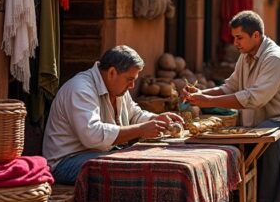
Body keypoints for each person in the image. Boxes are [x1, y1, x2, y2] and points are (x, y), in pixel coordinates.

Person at [182, 11, 280, 202]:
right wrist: (203, 96)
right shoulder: (245, 57)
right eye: (234, 37)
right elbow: (230, 86)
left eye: (239, 37)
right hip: (267, 123)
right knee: (249, 137)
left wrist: (209, 102)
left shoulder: (275, 58)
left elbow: (254, 98)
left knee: (268, 134)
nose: (235, 42)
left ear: (256, 35)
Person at [42, 46, 184, 184]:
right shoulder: (80, 89)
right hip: (65, 163)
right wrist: (141, 129)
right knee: (132, 168)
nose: (132, 85)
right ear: (111, 73)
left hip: (97, 154)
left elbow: (134, 114)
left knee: (147, 158)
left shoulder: (118, 88)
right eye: (129, 79)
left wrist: (155, 119)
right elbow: (92, 135)